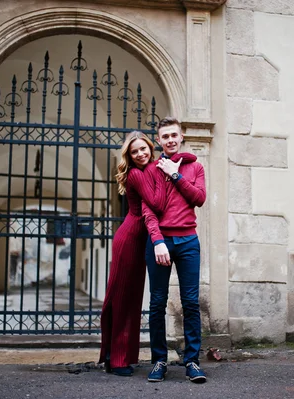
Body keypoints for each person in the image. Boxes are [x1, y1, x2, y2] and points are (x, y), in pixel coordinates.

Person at [98, 131, 196, 376]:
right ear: (129, 156)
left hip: (144, 238)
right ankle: (115, 359)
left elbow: (185, 158)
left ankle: (119, 355)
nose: (140, 154)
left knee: (132, 298)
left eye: (143, 149)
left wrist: (174, 162)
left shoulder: (153, 167)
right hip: (130, 238)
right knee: (121, 296)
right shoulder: (136, 174)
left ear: (151, 148)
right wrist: (165, 174)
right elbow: (158, 203)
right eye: (134, 151)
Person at [142, 117, 207, 383]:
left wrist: (175, 175)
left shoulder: (195, 167)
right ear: (159, 140)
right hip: (161, 242)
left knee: (191, 302)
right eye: (164, 136)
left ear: (181, 137)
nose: (169, 140)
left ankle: (192, 361)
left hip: (188, 241)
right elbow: (148, 209)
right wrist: (157, 240)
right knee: (157, 303)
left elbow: (199, 199)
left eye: (173, 135)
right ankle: (159, 360)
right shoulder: (151, 170)